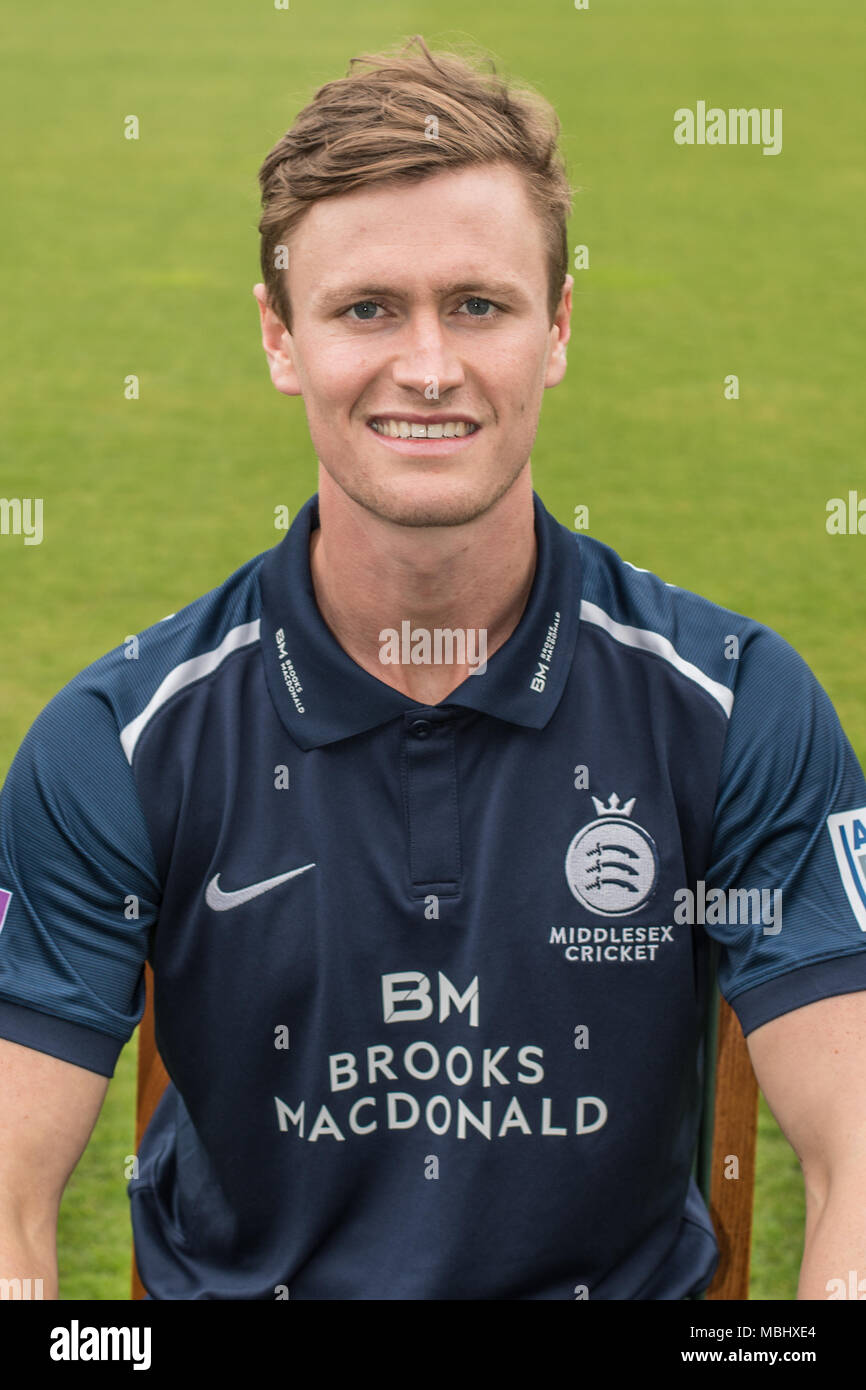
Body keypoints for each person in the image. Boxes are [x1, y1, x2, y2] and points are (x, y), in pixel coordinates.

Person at [1, 34, 865, 1302]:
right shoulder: (115, 744)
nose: (426, 366)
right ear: (279, 335)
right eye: (365, 308)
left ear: (556, 326)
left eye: (477, 304)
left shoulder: (735, 706)